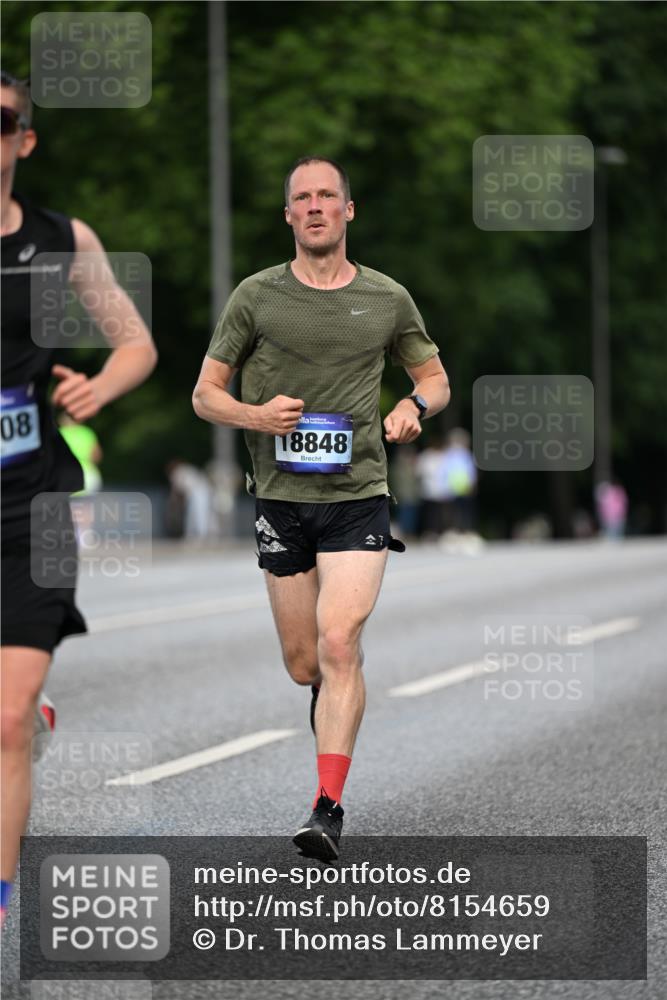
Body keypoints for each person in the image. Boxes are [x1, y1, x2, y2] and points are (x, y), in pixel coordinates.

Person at [193, 156, 450, 860]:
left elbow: (434, 378)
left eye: (326, 196)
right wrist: (255, 416)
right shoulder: (256, 297)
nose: (314, 207)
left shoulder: (387, 298)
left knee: (339, 643)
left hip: (357, 497)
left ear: (347, 210)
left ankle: (326, 806)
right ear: (288, 215)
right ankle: (333, 691)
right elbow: (205, 394)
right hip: (281, 500)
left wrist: (412, 405)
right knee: (305, 663)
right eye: (301, 198)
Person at [0, 71, 157, 924]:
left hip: (36, 508)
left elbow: (136, 345)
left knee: (5, 719)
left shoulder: (62, 239)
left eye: (2, 121)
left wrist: (98, 387)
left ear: (24, 141)